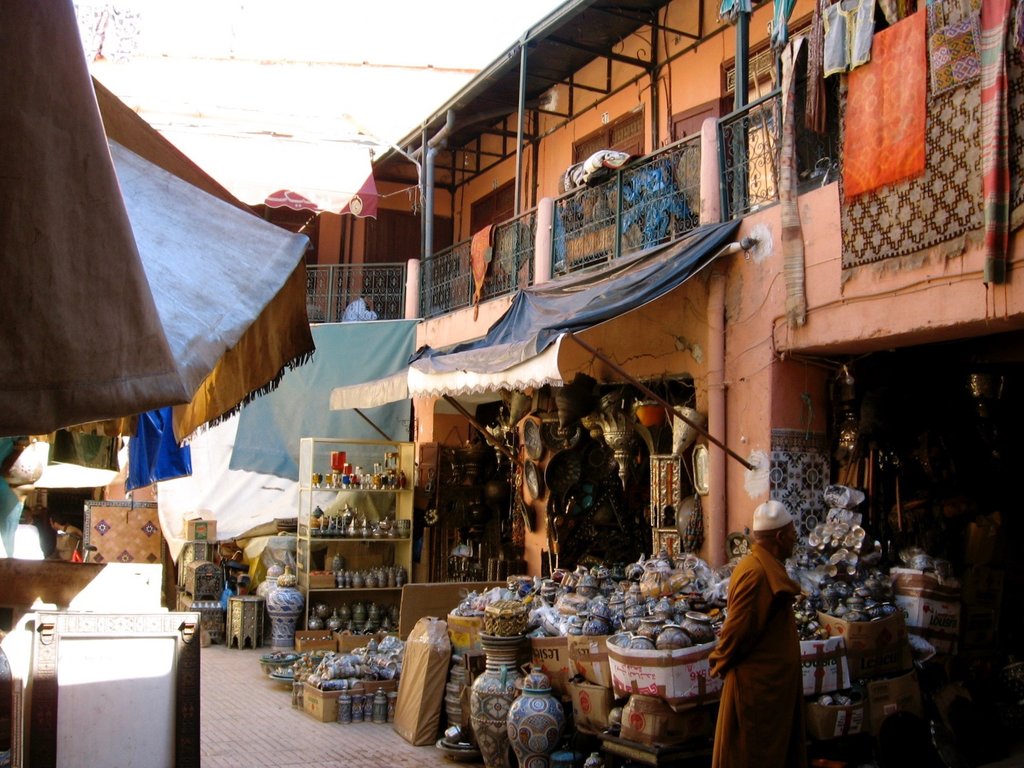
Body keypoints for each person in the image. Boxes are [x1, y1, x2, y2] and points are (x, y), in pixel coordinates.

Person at [708, 500, 806, 768]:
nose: (795, 537)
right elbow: (736, 631)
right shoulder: (756, 572)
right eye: (792, 532)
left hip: (770, 688)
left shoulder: (765, 566)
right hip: (756, 691)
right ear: (779, 537)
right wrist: (719, 660)